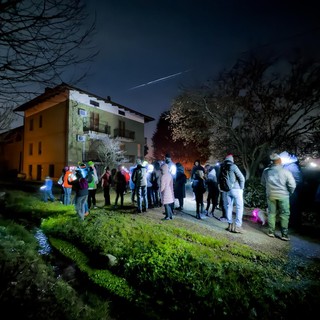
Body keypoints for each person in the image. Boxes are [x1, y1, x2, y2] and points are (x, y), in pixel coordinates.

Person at [261, 153, 296, 241]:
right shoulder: (286, 171)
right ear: (280, 161)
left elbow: (263, 182)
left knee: (271, 213)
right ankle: (284, 234)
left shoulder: (266, 171)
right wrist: (290, 193)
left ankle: (271, 232)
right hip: (283, 195)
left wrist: (269, 189)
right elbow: (292, 185)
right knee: (284, 215)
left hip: (271, 195)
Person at [219, 154, 245, 233]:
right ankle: (237, 226)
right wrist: (242, 188)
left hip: (227, 190)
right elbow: (242, 178)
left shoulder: (222, 167)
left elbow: (219, 178)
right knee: (239, 207)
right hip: (236, 189)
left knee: (229, 207)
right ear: (231, 160)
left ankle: (229, 225)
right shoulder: (233, 166)